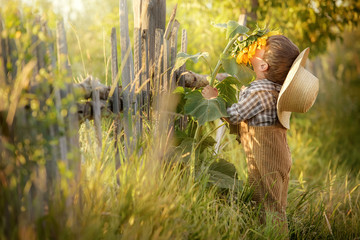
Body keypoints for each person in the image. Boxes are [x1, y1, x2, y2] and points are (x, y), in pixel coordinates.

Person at [202, 34, 319, 232]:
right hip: (278, 157)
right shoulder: (275, 89)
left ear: (263, 66)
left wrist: (215, 99)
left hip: (266, 159)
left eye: (259, 48)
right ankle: (267, 234)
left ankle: (271, 235)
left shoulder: (259, 92)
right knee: (275, 204)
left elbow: (236, 114)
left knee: (266, 204)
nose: (254, 48)